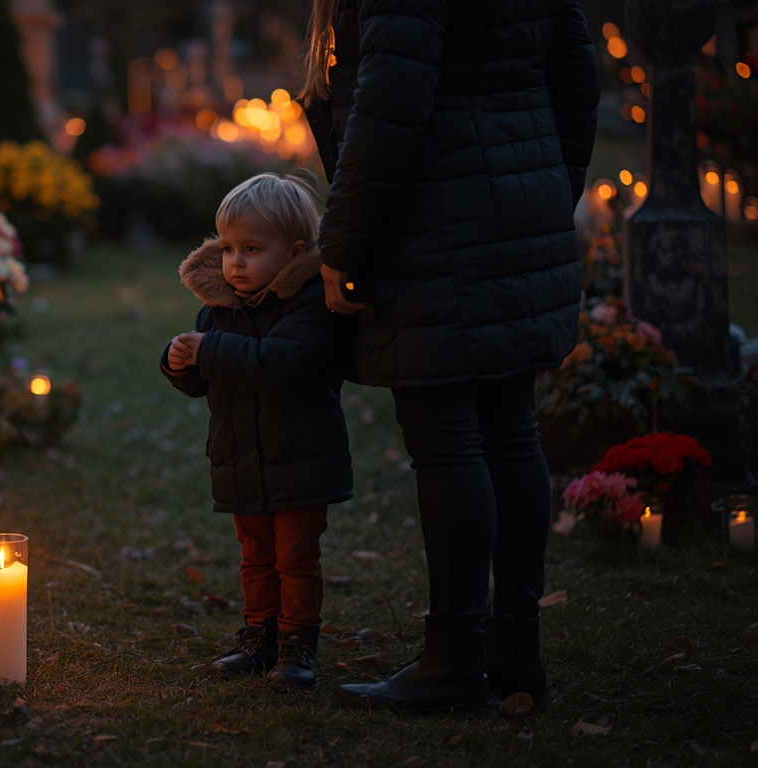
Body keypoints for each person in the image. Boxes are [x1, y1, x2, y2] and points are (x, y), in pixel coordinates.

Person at [300, 0, 600, 711]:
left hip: (430, 216)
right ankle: (515, 653)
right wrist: (548, 189)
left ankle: (455, 661)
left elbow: (391, 101)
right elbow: (577, 76)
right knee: (511, 429)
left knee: (448, 444)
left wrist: (341, 243)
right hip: (518, 201)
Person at [162, 171, 354, 691]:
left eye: (251, 248)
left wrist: (211, 351)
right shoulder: (221, 308)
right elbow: (207, 382)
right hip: (242, 458)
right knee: (255, 558)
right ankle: (259, 634)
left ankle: (297, 642)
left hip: (298, 456)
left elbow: (278, 362)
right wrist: (182, 362)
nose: (235, 263)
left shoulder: (311, 303)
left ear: (293, 252)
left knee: (295, 558)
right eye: (227, 248)